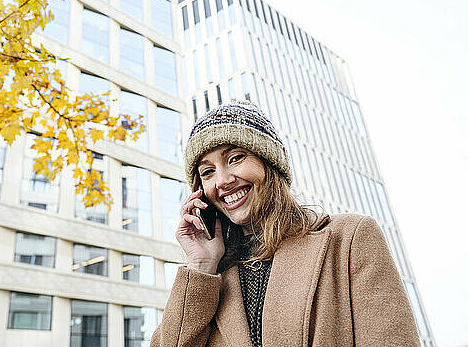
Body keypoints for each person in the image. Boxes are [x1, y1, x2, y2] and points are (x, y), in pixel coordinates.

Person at [151, 101, 420, 346]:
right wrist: (201, 267)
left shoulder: (350, 238)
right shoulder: (209, 280)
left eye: (236, 158)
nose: (221, 181)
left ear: (270, 163)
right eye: (207, 172)